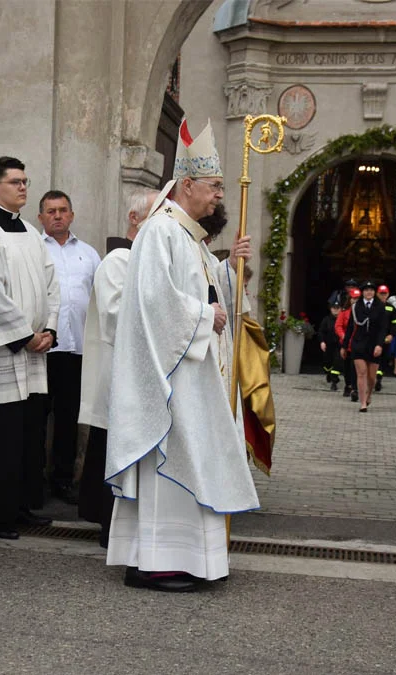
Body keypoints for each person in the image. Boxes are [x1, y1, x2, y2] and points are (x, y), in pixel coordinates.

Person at [105, 118, 259, 592]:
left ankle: (165, 557)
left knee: (191, 460)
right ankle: (159, 562)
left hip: (193, 373)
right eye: (214, 187)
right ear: (188, 184)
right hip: (172, 377)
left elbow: (214, 294)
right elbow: (154, 300)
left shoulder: (188, 235)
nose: (218, 196)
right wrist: (201, 316)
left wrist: (234, 272)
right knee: (174, 462)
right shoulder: (161, 231)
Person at [0, 156, 59, 539]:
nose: (23, 187)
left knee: (28, 435)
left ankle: (20, 507)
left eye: (25, 180)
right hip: (4, 352)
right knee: (1, 436)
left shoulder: (31, 232)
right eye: (15, 182)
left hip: (34, 354)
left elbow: (52, 282)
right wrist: (24, 336)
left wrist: (48, 328)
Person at [77, 188, 158, 548]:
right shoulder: (119, 260)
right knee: (111, 448)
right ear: (134, 219)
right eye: (157, 216)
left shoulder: (149, 260)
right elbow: (115, 314)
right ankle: (107, 523)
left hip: (141, 376)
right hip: (117, 375)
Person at [39, 190, 100, 504]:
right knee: (36, 419)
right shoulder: (34, 250)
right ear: (41, 218)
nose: (57, 216)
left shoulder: (89, 254)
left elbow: (99, 299)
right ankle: (34, 481)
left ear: (72, 215)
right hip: (41, 349)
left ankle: (63, 480)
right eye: (51, 211)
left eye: (63, 210)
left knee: (67, 419)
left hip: (76, 349)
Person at [343, 280, 389, 413]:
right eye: (366, 290)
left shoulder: (380, 306)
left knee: (371, 377)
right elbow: (350, 327)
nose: (369, 292)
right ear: (363, 292)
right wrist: (345, 346)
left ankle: (369, 395)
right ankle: (362, 402)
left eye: (371, 290)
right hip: (359, 343)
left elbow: (383, 328)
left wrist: (380, 345)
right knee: (361, 373)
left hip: (374, 344)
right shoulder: (356, 306)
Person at [334, 286, 360, 400]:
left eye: (358, 299)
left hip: (359, 344)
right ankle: (348, 385)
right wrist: (344, 337)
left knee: (357, 368)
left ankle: (356, 388)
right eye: (353, 298)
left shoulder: (363, 312)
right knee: (347, 367)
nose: (355, 301)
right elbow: (338, 326)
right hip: (347, 345)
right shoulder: (344, 313)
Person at [374, 284, 396, 392]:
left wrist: (392, 335)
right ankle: (371, 380)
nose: (383, 296)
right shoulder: (372, 306)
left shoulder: (391, 308)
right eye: (381, 293)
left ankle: (378, 379)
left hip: (386, 340)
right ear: (377, 294)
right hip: (373, 339)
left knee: (383, 360)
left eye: (385, 294)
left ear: (388, 294)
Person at [318, 298, 342, 391]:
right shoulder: (326, 320)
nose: (335, 309)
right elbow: (321, 332)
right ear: (330, 309)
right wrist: (322, 342)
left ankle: (334, 381)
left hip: (339, 345)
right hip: (328, 345)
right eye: (334, 308)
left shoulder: (342, 319)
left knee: (337, 362)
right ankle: (329, 374)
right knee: (327, 363)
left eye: (337, 307)